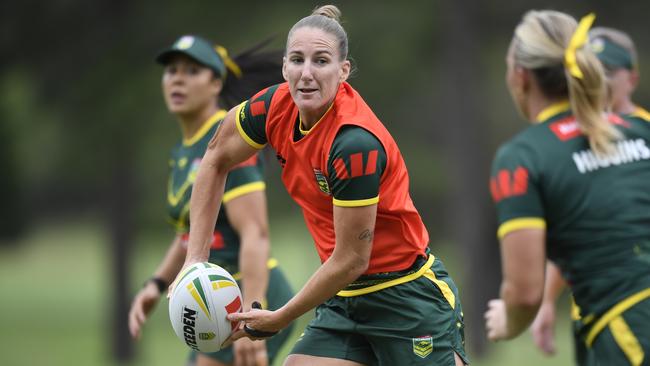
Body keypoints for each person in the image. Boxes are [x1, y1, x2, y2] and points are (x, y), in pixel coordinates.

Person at [171, 5, 468, 366]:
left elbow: (350, 260)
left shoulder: (353, 143)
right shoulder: (273, 107)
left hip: (405, 298)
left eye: (321, 61)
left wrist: (281, 317)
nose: (306, 73)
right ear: (284, 67)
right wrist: (194, 261)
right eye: (297, 60)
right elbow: (215, 157)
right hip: (344, 301)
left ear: (343, 71)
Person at [484, 9, 650, 366]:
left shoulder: (523, 157)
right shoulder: (640, 130)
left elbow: (524, 293)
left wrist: (506, 323)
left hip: (630, 326)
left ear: (520, 76)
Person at [127, 34, 294, 366]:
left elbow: (254, 233)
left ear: (216, 83)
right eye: (171, 70)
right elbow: (190, 234)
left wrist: (252, 310)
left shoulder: (230, 140)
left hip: (249, 295)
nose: (177, 78)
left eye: (192, 71)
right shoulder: (184, 150)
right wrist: (156, 284)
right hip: (212, 301)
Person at [530, 26, 650, 366]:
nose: (599, 79)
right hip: (590, 307)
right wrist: (548, 302)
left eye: (608, 71)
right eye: (588, 71)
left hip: (633, 305)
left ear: (633, 79)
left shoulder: (643, 135)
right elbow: (573, 231)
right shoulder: (572, 142)